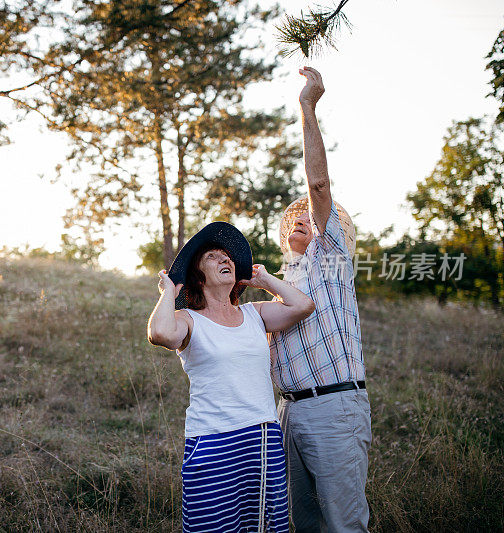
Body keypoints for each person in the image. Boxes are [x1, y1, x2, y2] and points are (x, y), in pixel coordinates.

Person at [147, 221, 315, 533]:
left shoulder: (256, 314)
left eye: (227, 257)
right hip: (212, 441)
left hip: (262, 439)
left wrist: (264, 280)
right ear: (197, 275)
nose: (225, 259)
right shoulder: (188, 319)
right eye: (213, 256)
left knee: (264, 527)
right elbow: (160, 333)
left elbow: (303, 305)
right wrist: (169, 292)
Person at [269, 66, 372, 533]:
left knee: (343, 526)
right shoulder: (280, 278)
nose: (301, 224)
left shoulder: (329, 260)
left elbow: (317, 187)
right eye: (295, 221)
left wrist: (307, 108)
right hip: (288, 411)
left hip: (334, 408)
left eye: (309, 220)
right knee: (302, 526)